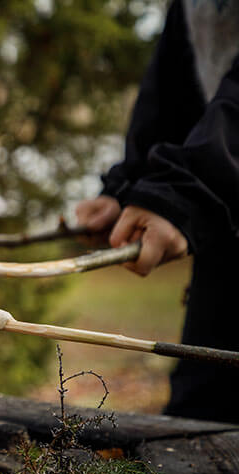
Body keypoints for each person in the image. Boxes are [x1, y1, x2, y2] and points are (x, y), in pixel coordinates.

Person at [75, 0, 239, 423]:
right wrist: (127, 188)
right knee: (197, 417)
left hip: (215, 203)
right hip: (224, 244)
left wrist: (186, 194)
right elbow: (172, 93)